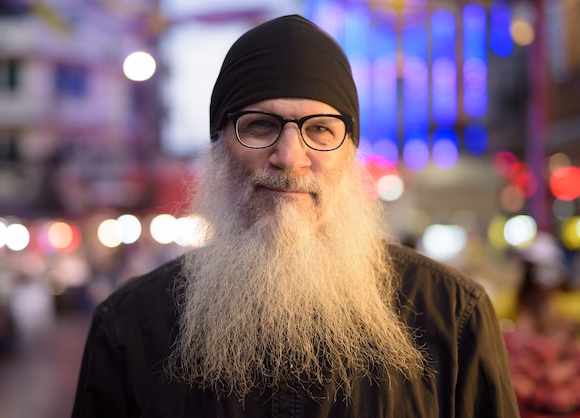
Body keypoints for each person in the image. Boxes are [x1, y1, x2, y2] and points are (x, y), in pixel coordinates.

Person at [72, 15, 520, 417]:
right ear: (219, 149)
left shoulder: (453, 315)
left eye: (320, 129)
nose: (289, 157)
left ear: (350, 154)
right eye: (260, 126)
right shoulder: (128, 328)